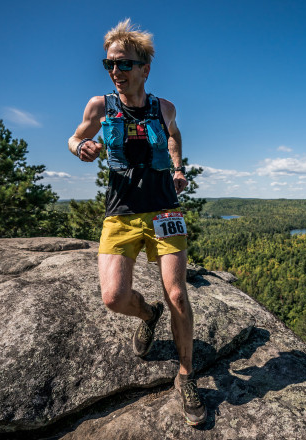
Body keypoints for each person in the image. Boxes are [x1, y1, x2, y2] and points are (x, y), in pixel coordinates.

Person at [67, 18, 206, 426]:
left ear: (145, 68)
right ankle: (148, 315)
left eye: (124, 65)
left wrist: (178, 168)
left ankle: (186, 375)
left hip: (165, 210)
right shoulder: (100, 106)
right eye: (109, 64)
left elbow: (175, 137)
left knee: (178, 293)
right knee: (113, 297)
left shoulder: (164, 108)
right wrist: (81, 148)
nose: (115, 72)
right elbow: (74, 137)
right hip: (122, 212)